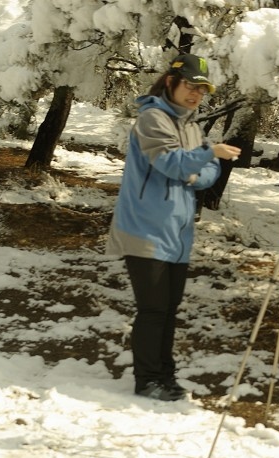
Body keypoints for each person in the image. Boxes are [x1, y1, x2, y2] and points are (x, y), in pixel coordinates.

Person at [106, 53, 241, 401]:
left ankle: (165, 375)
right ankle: (147, 379)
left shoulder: (192, 126)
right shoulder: (153, 119)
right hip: (145, 229)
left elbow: (203, 176)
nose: (196, 94)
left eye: (202, 90)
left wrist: (198, 165)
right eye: (190, 86)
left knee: (168, 310)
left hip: (178, 234)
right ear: (171, 82)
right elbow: (170, 162)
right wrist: (207, 156)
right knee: (152, 309)